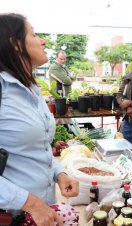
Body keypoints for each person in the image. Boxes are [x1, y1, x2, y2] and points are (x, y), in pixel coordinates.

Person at [0, 13, 79, 225]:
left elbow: (37, 150)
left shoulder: (32, 89)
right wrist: (30, 203)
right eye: (34, 34)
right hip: (13, 215)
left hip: (44, 212)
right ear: (16, 44)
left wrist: (59, 173)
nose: (42, 41)